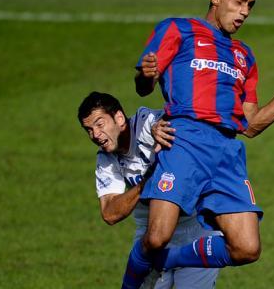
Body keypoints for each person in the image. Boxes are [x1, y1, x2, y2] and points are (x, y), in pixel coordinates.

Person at [122, 0, 274, 289]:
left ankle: (169, 260)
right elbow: (143, 87)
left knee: (247, 248)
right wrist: (146, 76)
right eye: (239, 1)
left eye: (251, 6)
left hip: (226, 151)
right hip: (184, 141)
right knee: (156, 237)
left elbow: (252, 125)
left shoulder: (244, 55)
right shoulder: (178, 29)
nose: (245, 11)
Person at [77, 91, 220, 288]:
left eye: (100, 124)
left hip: (195, 229)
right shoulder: (105, 159)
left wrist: (161, 125)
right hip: (150, 234)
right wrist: (146, 183)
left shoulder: (146, 125)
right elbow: (110, 213)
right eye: (89, 130)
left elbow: (173, 121)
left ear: (119, 118)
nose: (95, 135)